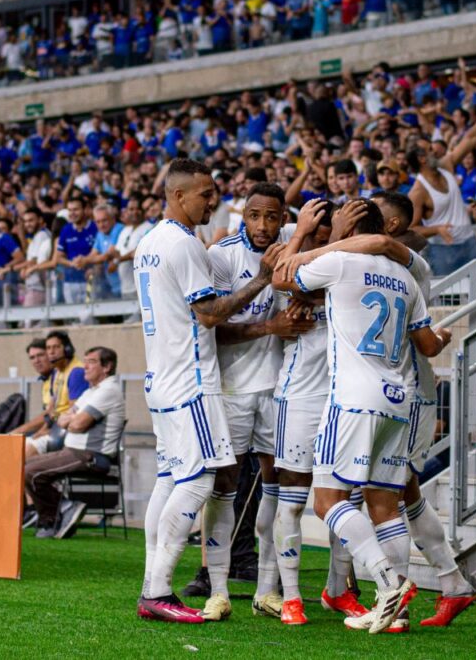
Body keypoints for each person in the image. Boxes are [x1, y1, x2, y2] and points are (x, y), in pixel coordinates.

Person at [276, 199, 451, 635]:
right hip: (399, 398)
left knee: (327, 501)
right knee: (384, 502)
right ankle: (394, 611)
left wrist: (313, 237)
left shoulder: (340, 262)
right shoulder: (407, 277)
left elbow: (283, 278)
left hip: (352, 397)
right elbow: (427, 342)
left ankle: (391, 584)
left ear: (349, 227)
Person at [135, 158, 281, 623]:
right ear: (179, 196)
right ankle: (158, 591)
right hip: (191, 383)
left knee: (167, 482)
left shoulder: (149, 242)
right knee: (198, 481)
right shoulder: (184, 246)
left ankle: (150, 584)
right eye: (205, 193)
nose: (212, 200)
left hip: (161, 379)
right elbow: (210, 314)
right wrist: (261, 279)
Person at [198, 182, 315, 623]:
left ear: (284, 216)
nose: (263, 225)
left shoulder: (296, 249)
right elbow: (212, 327)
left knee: (278, 487)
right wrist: (270, 328)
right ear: (242, 215)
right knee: (225, 486)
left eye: (272, 216)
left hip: (282, 390)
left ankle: (267, 590)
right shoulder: (222, 256)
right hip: (232, 389)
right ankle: (219, 590)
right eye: (254, 215)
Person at [24, 346, 126, 539]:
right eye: (85, 360)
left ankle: (53, 518)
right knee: (24, 465)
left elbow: (77, 423)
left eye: (92, 362)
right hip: (74, 452)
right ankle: (64, 508)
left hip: (91, 456)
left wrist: (72, 420)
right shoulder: (91, 391)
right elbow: (63, 418)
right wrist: (71, 420)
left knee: (29, 471)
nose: (85, 366)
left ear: (107, 367)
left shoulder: (109, 390)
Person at [409, 97, 476, 275]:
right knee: (450, 299)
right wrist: (436, 229)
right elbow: (412, 228)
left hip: (470, 241)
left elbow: (471, 138)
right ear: (421, 159)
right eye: (430, 150)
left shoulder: (446, 165)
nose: (436, 151)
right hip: (442, 250)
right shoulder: (418, 191)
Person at [24, 330, 88, 460]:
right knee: (16, 447)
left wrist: (48, 430)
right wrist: (42, 429)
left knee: (23, 452)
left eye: (56, 347)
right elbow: (51, 411)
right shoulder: (57, 373)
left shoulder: (76, 372)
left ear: (67, 349)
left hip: (66, 434)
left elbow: (74, 413)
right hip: (55, 429)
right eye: (48, 348)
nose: (51, 352)